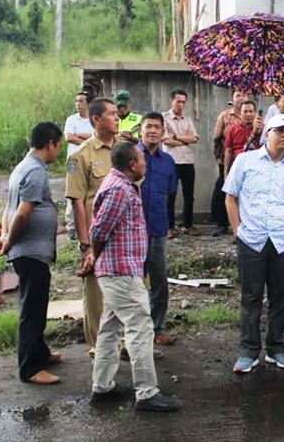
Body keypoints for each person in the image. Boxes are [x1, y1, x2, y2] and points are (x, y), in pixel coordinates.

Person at [80, 142, 180, 412]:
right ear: (132, 164)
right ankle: (146, 393)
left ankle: (103, 386)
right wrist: (95, 255)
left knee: (110, 329)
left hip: (120, 270)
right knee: (140, 328)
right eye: (141, 160)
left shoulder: (121, 185)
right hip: (120, 272)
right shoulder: (119, 190)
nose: (145, 163)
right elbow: (98, 230)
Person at [223, 114, 284, 373]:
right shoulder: (245, 161)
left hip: (283, 241)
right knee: (251, 297)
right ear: (266, 134)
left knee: (280, 296)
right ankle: (248, 350)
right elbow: (230, 197)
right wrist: (238, 231)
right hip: (252, 239)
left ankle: (276, 347)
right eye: (279, 130)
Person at [0, 122, 63, 385]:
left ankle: (41, 353)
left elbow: (8, 207)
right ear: (50, 144)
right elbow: (22, 213)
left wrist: (5, 235)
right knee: (32, 310)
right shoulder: (35, 171)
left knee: (37, 304)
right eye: (58, 146)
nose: (58, 151)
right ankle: (30, 368)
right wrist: (9, 241)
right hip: (30, 252)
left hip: (27, 250)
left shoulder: (22, 166)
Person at [67, 97, 117, 355]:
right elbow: (77, 201)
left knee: (130, 287)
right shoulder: (81, 156)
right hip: (97, 236)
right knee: (96, 290)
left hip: (124, 236)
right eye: (111, 114)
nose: (117, 118)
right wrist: (85, 244)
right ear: (96, 119)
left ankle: (126, 341)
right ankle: (98, 345)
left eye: (117, 113)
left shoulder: (125, 151)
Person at [138, 113, 178, 346]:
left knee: (159, 279)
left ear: (163, 132)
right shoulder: (130, 156)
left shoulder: (168, 161)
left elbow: (171, 191)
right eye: (148, 127)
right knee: (135, 281)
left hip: (158, 227)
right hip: (133, 230)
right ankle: (136, 330)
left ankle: (157, 327)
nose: (153, 131)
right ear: (140, 131)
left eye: (157, 127)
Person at [163, 89, 200, 237]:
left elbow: (195, 138)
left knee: (189, 195)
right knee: (170, 195)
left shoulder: (187, 119)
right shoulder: (164, 118)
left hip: (187, 161)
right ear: (171, 101)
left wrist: (176, 136)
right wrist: (185, 140)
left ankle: (188, 225)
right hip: (171, 160)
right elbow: (165, 140)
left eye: (183, 102)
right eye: (178, 101)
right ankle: (169, 227)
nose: (181, 105)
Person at [211, 90, 247, 236]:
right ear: (232, 98)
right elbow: (216, 138)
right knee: (223, 189)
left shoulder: (252, 116)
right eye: (238, 95)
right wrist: (220, 158)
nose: (241, 98)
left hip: (246, 161)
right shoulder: (224, 116)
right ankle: (221, 223)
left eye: (244, 95)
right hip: (228, 158)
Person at [63, 90, 94, 240]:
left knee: (89, 192)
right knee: (72, 192)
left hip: (89, 161)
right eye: (76, 101)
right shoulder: (71, 119)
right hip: (73, 161)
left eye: (81, 101)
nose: (78, 104)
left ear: (88, 103)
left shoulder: (93, 120)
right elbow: (69, 137)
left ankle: (87, 224)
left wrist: (80, 136)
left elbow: (96, 136)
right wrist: (88, 141)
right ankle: (71, 225)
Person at [223, 101, 262, 177]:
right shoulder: (233, 129)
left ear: (255, 113)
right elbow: (228, 151)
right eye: (245, 111)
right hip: (237, 167)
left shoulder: (263, 129)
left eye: (251, 111)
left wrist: (256, 132)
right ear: (240, 113)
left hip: (256, 169)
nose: (248, 114)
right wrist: (226, 171)